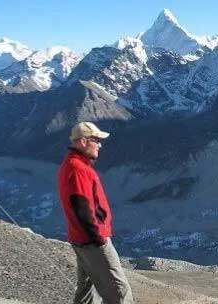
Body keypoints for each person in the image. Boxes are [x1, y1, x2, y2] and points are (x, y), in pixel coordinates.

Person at [57, 121, 133, 304]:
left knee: (88, 291)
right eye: (96, 140)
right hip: (92, 241)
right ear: (83, 141)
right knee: (119, 292)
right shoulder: (78, 169)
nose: (100, 144)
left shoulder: (73, 165)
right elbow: (80, 206)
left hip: (81, 239)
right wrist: (98, 238)